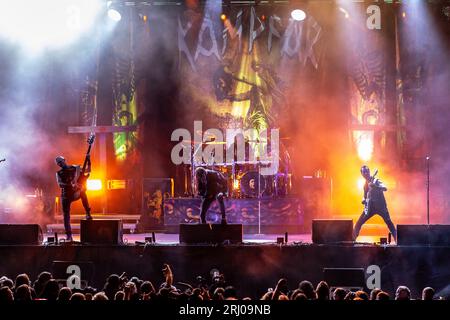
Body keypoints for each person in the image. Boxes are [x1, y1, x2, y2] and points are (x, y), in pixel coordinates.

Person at [353, 165, 397, 242]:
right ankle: (352, 240)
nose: (366, 173)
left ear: (369, 172)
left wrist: (376, 186)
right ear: (362, 174)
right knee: (358, 223)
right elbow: (365, 196)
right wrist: (363, 200)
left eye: (367, 171)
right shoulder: (365, 185)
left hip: (381, 207)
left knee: (389, 223)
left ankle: (398, 239)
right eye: (364, 172)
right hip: (370, 208)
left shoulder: (376, 180)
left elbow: (385, 188)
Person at [55, 155, 92, 241]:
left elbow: (88, 170)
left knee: (83, 192)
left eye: (61, 161)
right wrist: (70, 185)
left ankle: (88, 213)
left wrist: (89, 160)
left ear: (64, 160)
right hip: (66, 196)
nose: (60, 164)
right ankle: (69, 235)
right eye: (58, 163)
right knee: (66, 215)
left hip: (75, 193)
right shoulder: (58, 173)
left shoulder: (75, 168)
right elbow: (60, 184)